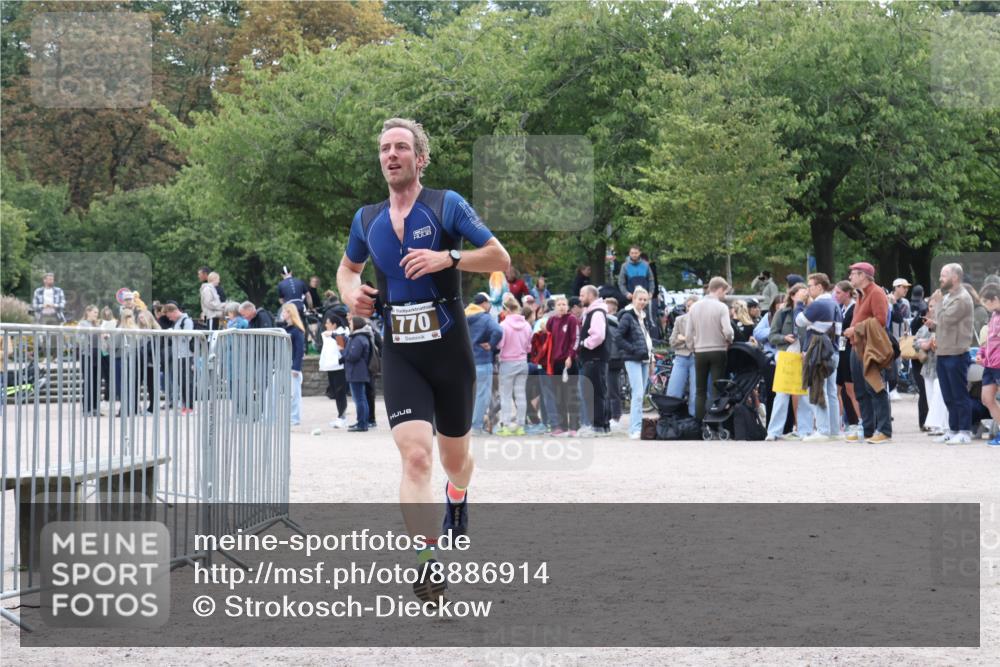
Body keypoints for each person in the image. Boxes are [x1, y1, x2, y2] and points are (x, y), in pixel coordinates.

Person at [336, 117, 510, 603]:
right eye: (384, 148)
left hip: (449, 355)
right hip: (401, 354)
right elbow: (347, 270)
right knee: (415, 456)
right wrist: (352, 294)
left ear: (420, 158)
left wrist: (448, 259)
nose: (391, 155)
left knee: (456, 461)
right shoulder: (366, 218)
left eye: (401, 148)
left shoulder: (445, 204)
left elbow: (500, 258)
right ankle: (427, 560)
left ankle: (458, 495)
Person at [843, 262, 892, 444]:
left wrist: (855, 329)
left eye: (853, 274)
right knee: (861, 391)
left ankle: (884, 430)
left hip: (870, 348)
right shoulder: (861, 294)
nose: (850, 278)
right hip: (857, 347)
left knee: (875, 388)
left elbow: (880, 321)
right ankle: (869, 429)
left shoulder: (877, 293)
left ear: (863, 276)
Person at [795, 273, 842, 441]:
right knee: (831, 393)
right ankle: (834, 431)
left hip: (819, 353)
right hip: (833, 352)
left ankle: (822, 430)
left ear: (820, 287)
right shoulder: (834, 304)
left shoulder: (820, 304)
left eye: (810, 286)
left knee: (817, 389)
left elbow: (799, 321)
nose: (807, 289)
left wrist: (799, 303)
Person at [933, 263, 974, 444]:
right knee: (948, 394)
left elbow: (946, 319)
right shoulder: (950, 296)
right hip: (943, 351)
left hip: (957, 353)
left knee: (959, 394)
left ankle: (965, 431)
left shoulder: (962, 299)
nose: (940, 279)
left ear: (955, 277)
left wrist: (937, 303)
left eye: (943, 275)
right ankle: (953, 428)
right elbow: (939, 320)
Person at [764, 283, 809, 441]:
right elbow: (772, 336)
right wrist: (784, 338)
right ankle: (774, 431)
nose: (804, 295)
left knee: (804, 395)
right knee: (781, 395)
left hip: (803, 357)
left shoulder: (808, 311)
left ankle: (805, 430)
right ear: (792, 295)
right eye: (801, 293)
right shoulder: (782, 313)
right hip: (786, 356)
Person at [688, 277, 734, 421]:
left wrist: (692, 347)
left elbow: (689, 333)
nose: (725, 295)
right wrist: (729, 340)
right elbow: (728, 330)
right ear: (719, 289)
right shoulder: (721, 307)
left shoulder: (694, 307)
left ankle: (700, 422)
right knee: (716, 388)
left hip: (700, 351)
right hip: (718, 350)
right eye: (725, 292)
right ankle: (714, 420)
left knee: (700, 390)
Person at [617, 286, 654, 439]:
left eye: (645, 300)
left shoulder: (643, 316)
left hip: (645, 359)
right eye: (640, 299)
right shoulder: (627, 316)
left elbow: (647, 340)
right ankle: (634, 429)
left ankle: (637, 427)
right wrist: (632, 350)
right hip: (633, 359)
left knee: (641, 393)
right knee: (638, 394)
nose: (643, 302)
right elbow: (618, 337)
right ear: (634, 299)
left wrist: (651, 359)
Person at [496, 294, 533, 436]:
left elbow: (500, 344)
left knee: (505, 396)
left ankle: (505, 426)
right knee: (520, 395)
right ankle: (520, 426)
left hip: (507, 362)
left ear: (506, 310)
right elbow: (529, 347)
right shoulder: (527, 325)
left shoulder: (503, 325)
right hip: (523, 362)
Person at [466, 292, 502, 435]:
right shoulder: (485, 318)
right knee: (482, 395)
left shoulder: (463, 315)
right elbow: (498, 331)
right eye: (489, 303)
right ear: (484, 304)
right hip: (482, 360)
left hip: (466, 362)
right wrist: (491, 344)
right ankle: (476, 426)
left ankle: (465, 425)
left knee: (468, 395)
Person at [577, 284, 611, 437]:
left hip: (594, 358)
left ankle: (597, 426)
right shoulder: (593, 312)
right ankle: (602, 425)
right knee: (598, 391)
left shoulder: (596, 313)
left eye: (582, 295)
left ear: (591, 296)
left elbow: (598, 335)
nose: (580, 298)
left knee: (594, 392)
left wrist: (584, 344)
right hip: (595, 358)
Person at [545, 295, 580, 437]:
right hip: (555, 363)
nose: (561, 307)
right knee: (559, 395)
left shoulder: (571, 319)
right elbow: (547, 338)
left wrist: (570, 356)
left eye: (564, 304)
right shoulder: (551, 320)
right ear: (554, 307)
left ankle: (574, 426)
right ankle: (562, 426)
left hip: (569, 362)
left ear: (567, 306)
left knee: (571, 394)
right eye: (558, 304)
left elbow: (576, 339)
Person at [833, 281, 861, 437]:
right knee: (838, 389)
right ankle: (842, 422)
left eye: (838, 293)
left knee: (851, 390)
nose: (835, 296)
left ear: (847, 293)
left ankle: (859, 421)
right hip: (840, 351)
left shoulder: (854, 308)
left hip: (849, 350)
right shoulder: (840, 308)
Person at [975, 283, 1000, 446]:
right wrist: (981, 353)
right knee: (986, 398)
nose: (985, 306)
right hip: (990, 365)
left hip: (997, 364)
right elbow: (989, 341)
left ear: (995, 299)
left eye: (986, 302)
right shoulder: (993, 316)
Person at [667, 295, 699, 417]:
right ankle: (671, 418)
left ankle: (694, 419)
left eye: (692, 306)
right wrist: (690, 340)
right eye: (688, 306)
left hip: (696, 358)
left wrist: (684, 338)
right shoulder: (680, 320)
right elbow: (672, 341)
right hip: (681, 357)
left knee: (695, 392)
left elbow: (702, 341)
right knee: (673, 390)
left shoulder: (703, 320)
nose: (689, 308)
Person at [319, 314, 350, 429]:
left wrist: (339, 361)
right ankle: (340, 416)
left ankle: (342, 417)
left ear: (334, 325)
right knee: (335, 393)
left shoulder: (341, 334)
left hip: (339, 368)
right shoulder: (327, 335)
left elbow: (342, 348)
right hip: (331, 367)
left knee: (340, 393)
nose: (325, 325)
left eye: (328, 323)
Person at [164, 303, 195, 415]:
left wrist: (174, 333)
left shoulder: (186, 321)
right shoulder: (178, 322)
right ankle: (185, 406)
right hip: (179, 355)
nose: (169, 318)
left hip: (186, 355)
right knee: (182, 382)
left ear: (173, 311)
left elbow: (189, 336)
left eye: (169, 315)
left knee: (187, 381)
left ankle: (190, 407)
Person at [278, 303, 306, 427]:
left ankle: (294, 418)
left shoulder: (296, 330)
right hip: (284, 364)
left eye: (284, 312)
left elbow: (299, 350)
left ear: (289, 313)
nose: (282, 314)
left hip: (292, 365)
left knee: (294, 393)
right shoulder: (287, 329)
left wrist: (296, 367)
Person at [343, 316, 372, 432]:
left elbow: (353, 356)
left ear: (356, 324)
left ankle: (362, 424)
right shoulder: (360, 337)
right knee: (361, 399)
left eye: (351, 323)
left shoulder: (359, 338)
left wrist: (342, 351)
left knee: (359, 399)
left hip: (357, 373)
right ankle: (362, 422)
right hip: (358, 372)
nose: (349, 325)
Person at [77, 305, 102, 416]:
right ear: (88, 312)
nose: (96, 315)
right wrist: (89, 336)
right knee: (88, 382)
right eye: (95, 312)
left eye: (97, 313)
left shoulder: (97, 324)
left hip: (97, 355)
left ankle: (95, 408)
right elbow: (79, 339)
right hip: (87, 355)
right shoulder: (82, 324)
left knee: (97, 382)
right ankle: (87, 409)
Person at [604, 297, 625, 430]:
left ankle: (615, 416)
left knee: (612, 389)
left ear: (611, 308)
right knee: (611, 388)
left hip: (613, 358)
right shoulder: (618, 322)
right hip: (615, 357)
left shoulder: (609, 322)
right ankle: (612, 415)